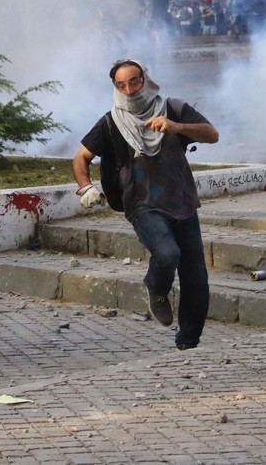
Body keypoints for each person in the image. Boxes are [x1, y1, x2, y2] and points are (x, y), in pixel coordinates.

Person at [72, 59, 219, 350]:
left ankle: (188, 345)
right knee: (167, 252)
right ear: (115, 87)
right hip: (142, 204)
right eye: (121, 85)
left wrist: (175, 127)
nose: (129, 89)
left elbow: (212, 134)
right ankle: (156, 286)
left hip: (183, 202)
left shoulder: (173, 108)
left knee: (197, 280)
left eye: (134, 81)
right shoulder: (111, 122)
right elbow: (80, 159)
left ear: (145, 79)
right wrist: (86, 187)